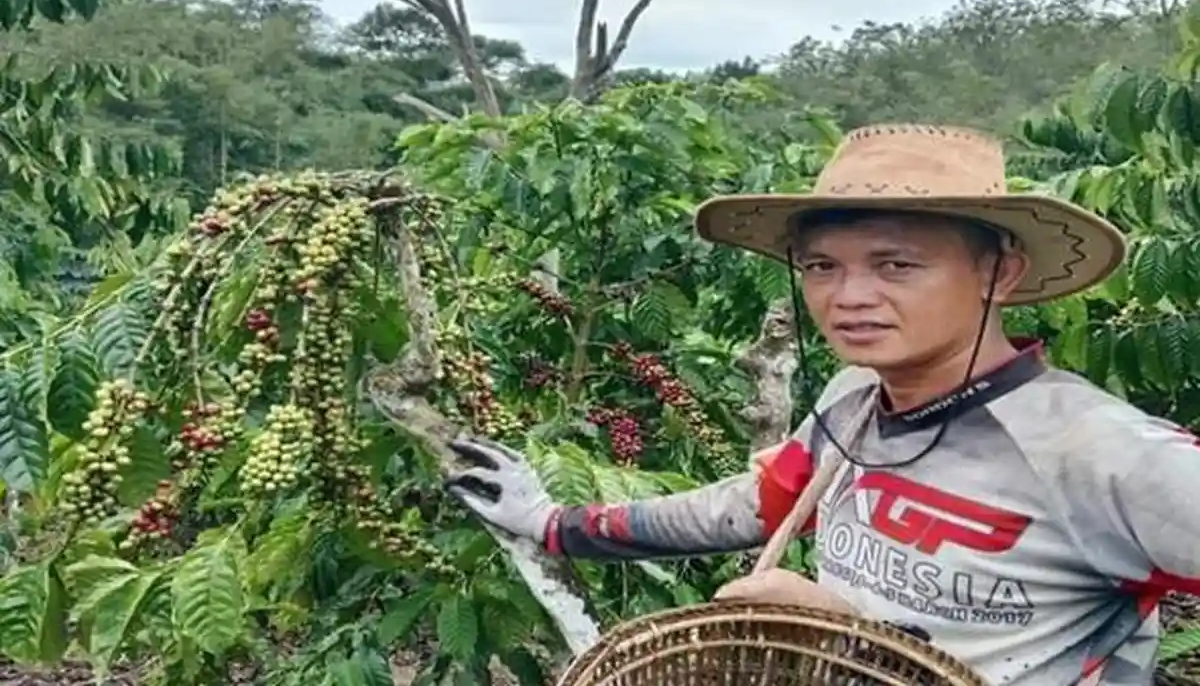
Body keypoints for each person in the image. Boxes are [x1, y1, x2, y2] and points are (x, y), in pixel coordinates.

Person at [445, 124, 1200, 686]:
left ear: (1000, 273)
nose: (849, 298)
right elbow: (753, 506)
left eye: (895, 265)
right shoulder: (853, 400)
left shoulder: (1101, 450)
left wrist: (846, 630)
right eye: (821, 267)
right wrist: (555, 524)